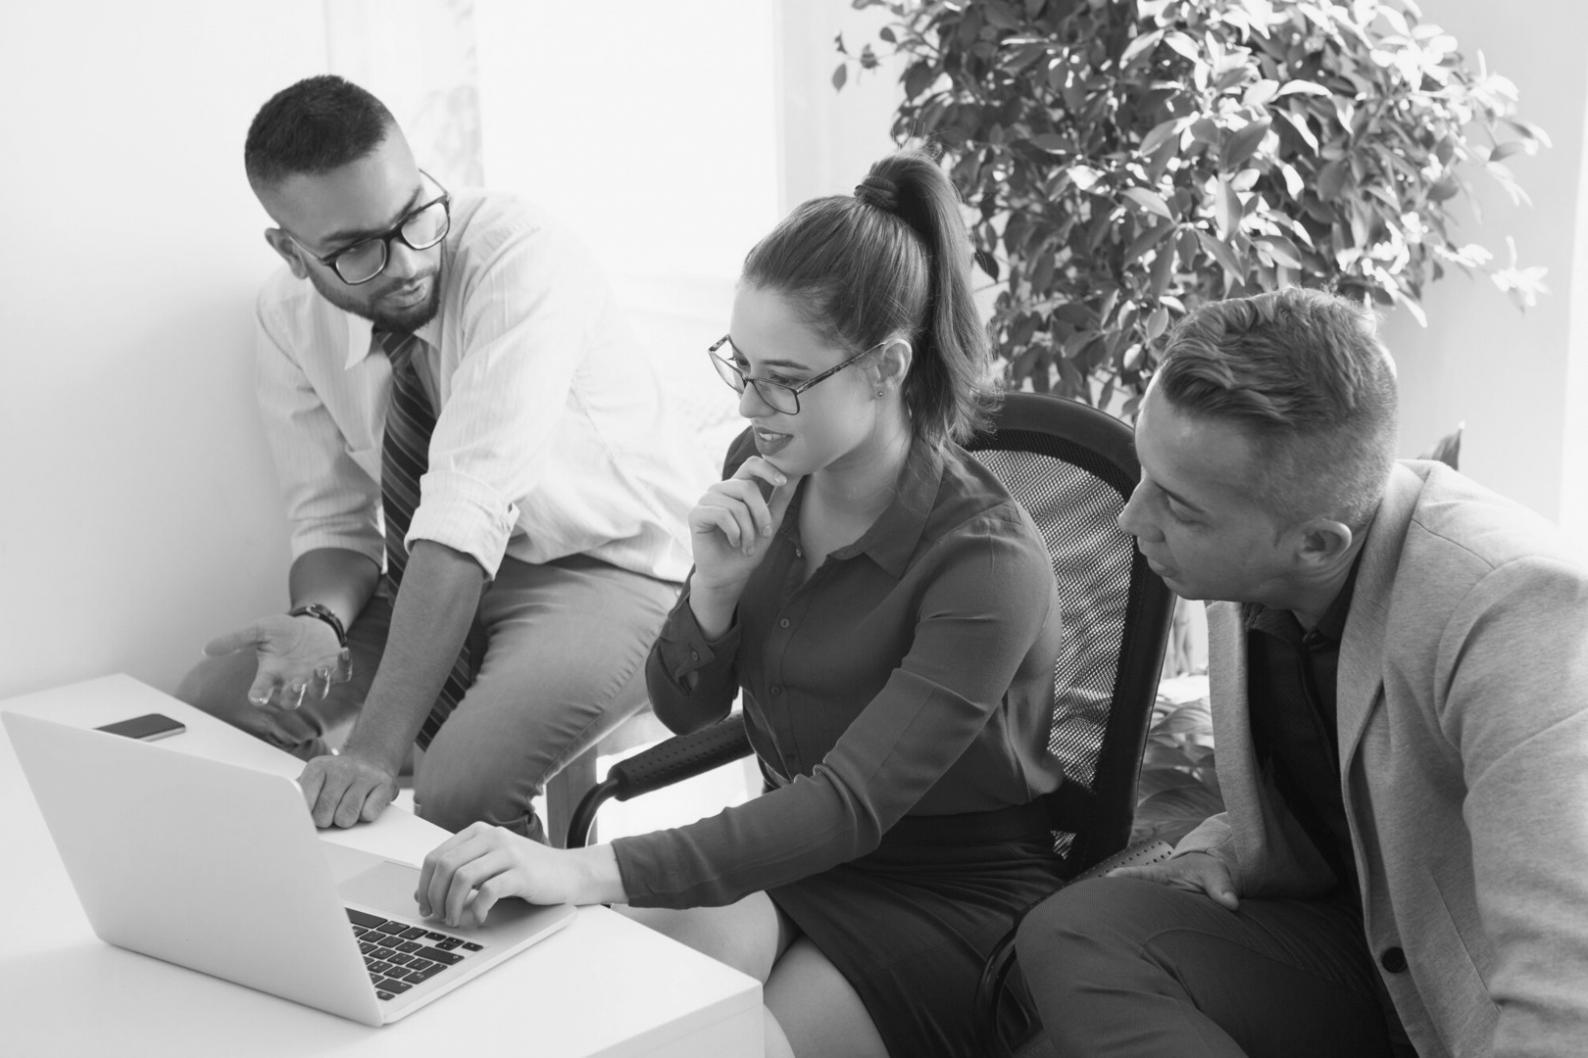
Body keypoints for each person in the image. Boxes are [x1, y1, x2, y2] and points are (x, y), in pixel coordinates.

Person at [414, 151, 1068, 1057]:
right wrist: (713, 593)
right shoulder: (762, 476)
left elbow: (849, 805)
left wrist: (583, 868)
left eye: (785, 378)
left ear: (885, 366)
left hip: (945, 888)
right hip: (791, 852)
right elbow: (686, 708)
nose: (753, 403)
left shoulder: (985, 565)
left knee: (726, 1040)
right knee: (625, 1007)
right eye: (741, 365)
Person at [1014, 288, 1588, 1057]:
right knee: (1077, 936)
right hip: (1360, 957)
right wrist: (1223, 841)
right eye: (1146, 474)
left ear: (1317, 544)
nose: (1131, 517)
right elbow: (1361, 792)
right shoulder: (1253, 571)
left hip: (1477, 1010)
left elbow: (1567, 986)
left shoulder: (1512, 610)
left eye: (1179, 509)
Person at [176, 75, 700, 843]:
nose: (407, 262)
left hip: (606, 566)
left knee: (461, 787)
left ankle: (522, 949)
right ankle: (343, 921)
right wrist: (320, 619)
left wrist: (371, 752)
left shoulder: (521, 256)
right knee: (217, 706)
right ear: (291, 254)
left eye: (414, 214)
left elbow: (469, 504)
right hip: (425, 569)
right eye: (355, 250)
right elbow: (331, 520)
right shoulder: (286, 316)